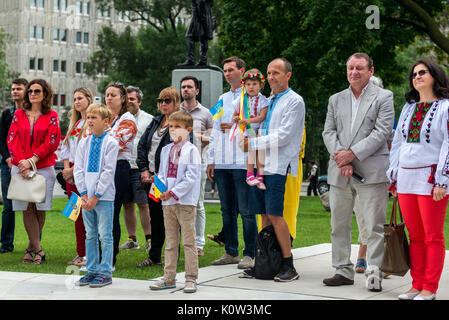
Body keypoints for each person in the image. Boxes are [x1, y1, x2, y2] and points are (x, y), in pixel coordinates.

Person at [322, 52, 394, 291]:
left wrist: (351, 154)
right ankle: (342, 268)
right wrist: (342, 159)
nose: (354, 72)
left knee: (374, 224)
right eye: (350, 67)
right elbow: (328, 132)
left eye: (360, 68)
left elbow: (382, 132)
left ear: (370, 71)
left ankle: (374, 271)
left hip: (371, 171)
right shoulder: (335, 99)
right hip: (340, 171)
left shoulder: (384, 97)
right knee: (339, 223)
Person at [387, 59, 449, 300]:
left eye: (422, 72)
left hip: (431, 178)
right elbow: (398, 144)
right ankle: (416, 284)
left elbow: (448, 143)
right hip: (406, 178)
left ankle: (429, 288)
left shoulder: (445, 107)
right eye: (414, 74)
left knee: (432, 235)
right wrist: (393, 175)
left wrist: (443, 180)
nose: (417, 77)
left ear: (434, 75)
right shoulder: (408, 107)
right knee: (415, 235)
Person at [241, 58, 305, 282]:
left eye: (276, 73)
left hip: (279, 165)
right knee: (264, 216)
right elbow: (260, 126)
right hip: (262, 166)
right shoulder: (269, 100)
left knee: (276, 215)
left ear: (288, 75)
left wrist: (253, 144)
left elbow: (284, 136)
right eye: (268, 73)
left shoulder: (294, 101)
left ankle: (289, 265)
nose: (270, 77)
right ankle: (265, 262)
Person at [206, 56, 258, 270]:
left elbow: (260, 128)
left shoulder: (254, 97)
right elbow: (214, 130)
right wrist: (211, 160)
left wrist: (237, 127)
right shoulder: (222, 98)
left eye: (231, 70)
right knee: (227, 210)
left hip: (243, 161)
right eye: (225, 70)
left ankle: (251, 253)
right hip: (223, 162)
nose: (227, 73)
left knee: (246, 210)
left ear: (242, 71)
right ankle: (231, 251)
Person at [7, 78, 61, 264]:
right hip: (20, 166)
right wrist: (22, 163)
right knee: (27, 208)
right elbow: (12, 139)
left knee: (39, 207)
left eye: (37, 91)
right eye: (30, 91)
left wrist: (32, 160)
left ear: (45, 94)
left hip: (43, 167)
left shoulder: (52, 115)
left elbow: (52, 140)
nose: (32, 94)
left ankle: (31, 248)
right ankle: (38, 250)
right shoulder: (19, 114)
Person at [150, 110, 201, 293]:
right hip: (168, 203)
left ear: (188, 129)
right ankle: (169, 277)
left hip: (185, 202)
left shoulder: (191, 150)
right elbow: (162, 173)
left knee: (188, 242)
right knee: (171, 242)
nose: (173, 130)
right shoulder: (165, 150)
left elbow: (191, 176)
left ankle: (191, 278)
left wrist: (173, 192)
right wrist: (161, 191)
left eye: (177, 127)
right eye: (171, 127)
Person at [74, 103, 119, 288]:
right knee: (90, 235)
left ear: (106, 122)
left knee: (105, 235)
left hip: (104, 197)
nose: (90, 121)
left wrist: (96, 196)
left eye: (94, 118)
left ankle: (105, 271)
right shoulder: (84, 141)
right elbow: (78, 169)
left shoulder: (111, 142)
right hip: (86, 198)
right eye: (88, 117)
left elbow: (108, 171)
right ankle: (91, 270)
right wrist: (84, 194)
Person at [136, 87, 182, 267]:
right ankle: (154, 256)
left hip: (169, 179)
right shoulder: (156, 121)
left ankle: (172, 256)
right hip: (152, 178)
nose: (163, 104)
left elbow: (180, 151)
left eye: (167, 101)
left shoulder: (181, 122)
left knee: (171, 218)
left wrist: (162, 176)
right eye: (160, 101)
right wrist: (144, 169)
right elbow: (141, 146)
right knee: (155, 218)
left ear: (176, 102)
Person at [104, 82, 137, 268]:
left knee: (111, 213)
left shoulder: (127, 119)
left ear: (123, 98)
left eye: (113, 95)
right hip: (102, 168)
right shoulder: (106, 118)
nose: (109, 98)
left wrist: (102, 134)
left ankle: (111, 258)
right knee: (100, 214)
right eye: (107, 94)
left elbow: (115, 142)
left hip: (118, 168)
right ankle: (98, 255)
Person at [180, 75, 213, 256]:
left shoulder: (205, 113)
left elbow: (214, 137)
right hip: (177, 165)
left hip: (198, 163)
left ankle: (199, 243)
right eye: (183, 87)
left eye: (189, 87)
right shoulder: (176, 112)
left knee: (198, 204)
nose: (186, 89)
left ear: (197, 91)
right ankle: (178, 243)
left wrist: (198, 137)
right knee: (177, 205)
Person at [60, 87, 93, 267]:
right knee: (75, 215)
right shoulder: (75, 123)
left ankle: (89, 254)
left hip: (82, 174)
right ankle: (80, 252)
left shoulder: (91, 124)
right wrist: (66, 169)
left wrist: (73, 171)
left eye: (80, 98)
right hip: (70, 175)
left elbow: (87, 153)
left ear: (89, 99)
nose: (76, 102)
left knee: (87, 215)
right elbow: (66, 148)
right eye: (74, 99)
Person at [119, 86, 153, 252]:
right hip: (125, 167)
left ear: (139, 101)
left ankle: (149, 239)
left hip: (140, 169)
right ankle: (132, 239)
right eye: (127, 99)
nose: (130, 102)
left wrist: (147, 169)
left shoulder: (148, 119)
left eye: (133, 99)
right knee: (127, 204)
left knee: (143, 204)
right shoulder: (119, 118)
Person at [0, 78, 28, 253]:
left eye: (19, 88)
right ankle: (6, 244)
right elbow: (1, 139)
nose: (15, 91)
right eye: (13, 89)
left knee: (30, 206)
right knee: (8, 207)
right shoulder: (7, 113)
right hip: (7, 164)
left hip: (27, 164)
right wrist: (8, 159)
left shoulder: (31, 113)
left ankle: (33, 245)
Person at [231, 69, 269, 189]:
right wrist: (236, 118)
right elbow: (234, 115)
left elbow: (262, 116)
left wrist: (249, 121)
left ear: (261, 85)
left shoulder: (264, 100)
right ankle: (250, 174)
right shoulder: (241, 100)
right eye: (248, 84)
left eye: (254, 84)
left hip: (259, 130)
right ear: (244, 85)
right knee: (252, 150)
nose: (251, 87)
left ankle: (260, 176)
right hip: (246, 130)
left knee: (260, 152)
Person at [179, 0, 213, 67]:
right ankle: (202, 60)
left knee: (189, 37)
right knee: (203, 38)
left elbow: (201, 3)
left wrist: (202, 19)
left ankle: (192, 60)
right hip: (202, 16)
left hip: (198, 18)